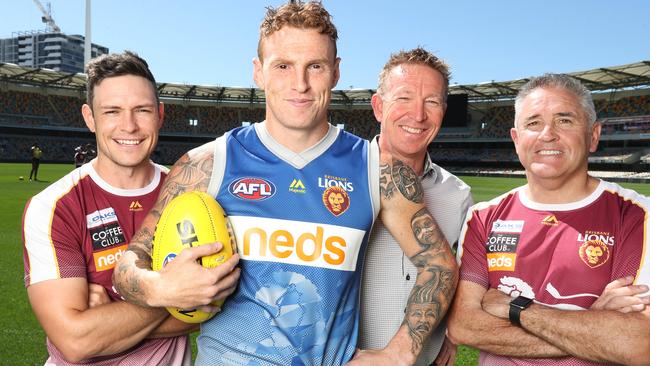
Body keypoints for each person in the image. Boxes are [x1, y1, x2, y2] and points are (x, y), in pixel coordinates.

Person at [112, 2, 457, 365]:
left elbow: (439, 264)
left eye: (315, 67)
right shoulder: (208, 164)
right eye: (283, 66)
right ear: (258, 72)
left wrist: (399, 353)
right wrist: (159, 286)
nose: (300, 84)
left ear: (336, 72)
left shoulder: (378, 170)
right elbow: (128, 264)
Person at [447, 73, 650, 365]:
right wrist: (594, 323)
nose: (547, 134)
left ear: (593, 135)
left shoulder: (638, 215)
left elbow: (638, 343)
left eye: (564, 120)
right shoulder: (483, 217)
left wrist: (517, 308)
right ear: (516, 140)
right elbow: (464, 326)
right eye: (533, 123)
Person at [22, 51, 195, 365]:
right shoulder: (53, 206)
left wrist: (109, 316)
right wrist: (173, 292)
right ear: (90, 117)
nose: (128, 126)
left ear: (159, 114)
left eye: (141, 110)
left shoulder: (189, 197)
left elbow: (213, 307)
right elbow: (76, 340)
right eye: (112, 111)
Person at [358, 48, 473, 366]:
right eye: (404, 98)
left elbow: (466, 279)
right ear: (379, 106)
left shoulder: (459, 194)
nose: (418, 115)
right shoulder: (340, 178)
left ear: (443, 111)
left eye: (432, 102)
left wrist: (451, 332)